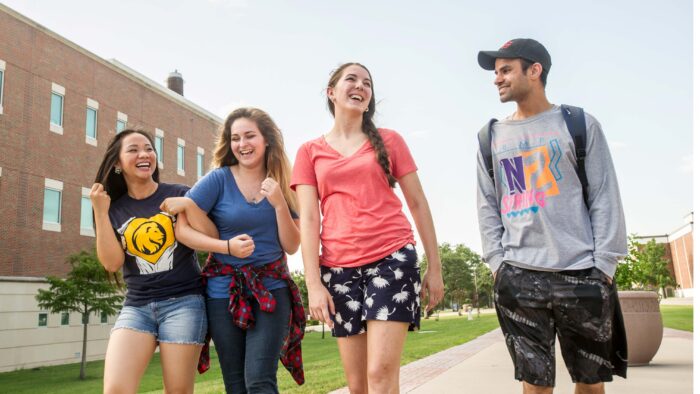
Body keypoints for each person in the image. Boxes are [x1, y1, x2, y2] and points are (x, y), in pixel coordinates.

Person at [476, 38, 628, 394]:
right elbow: (487, 204)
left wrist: (604, 266)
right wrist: (498, 263)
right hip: (519, 276)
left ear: (534, 70)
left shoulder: (577, 123)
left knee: (590, 385)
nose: (497, 79)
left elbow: (606, 196)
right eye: (496, 73)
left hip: (582, 273)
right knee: (535, 386)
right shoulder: (490, 136)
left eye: (506, 70)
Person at [291, 62, 444, 394]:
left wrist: (435, 266)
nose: (360, 86)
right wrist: (314, 283)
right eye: (351, 79)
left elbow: (418, 202)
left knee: (380, 374)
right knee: (358, 385)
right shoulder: (309, 152)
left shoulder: (390, 141)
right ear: (331, 92)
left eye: (367, 83)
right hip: (339, 269)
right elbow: (309, 220)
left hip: (392, 259)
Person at [160, 107, 305, 394]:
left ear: (267, 140)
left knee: (259, 380)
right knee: (235, 384)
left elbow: (292, 245)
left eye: (249, 136)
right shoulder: (218, 179)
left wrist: (278, 204)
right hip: (222, 293)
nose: (242, 144)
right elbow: (182, 230)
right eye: (235, 138)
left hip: (271, 290)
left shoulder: (284, 184)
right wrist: (224, 246)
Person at [91, 129, 216, 394]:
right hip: (137, 307)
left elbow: (210, 237)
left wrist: (188, 205)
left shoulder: (179, 193)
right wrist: (101, 214)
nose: (144, 154)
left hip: (183, 303)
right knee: (115, 389)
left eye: (148, 148)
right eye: (133, 149)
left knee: (177, 391)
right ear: (117, 163)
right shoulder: (114, 209)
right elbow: (112, 264)